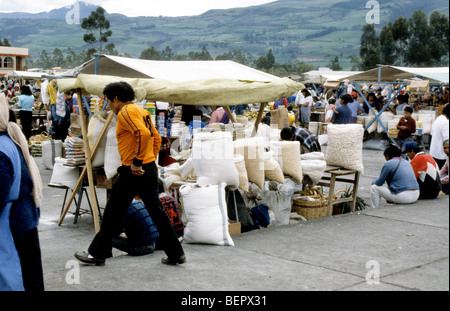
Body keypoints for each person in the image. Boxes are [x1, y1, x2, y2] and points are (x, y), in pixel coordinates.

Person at [74, 81, 185, 266]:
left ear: (116, 98)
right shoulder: (141, 111)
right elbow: (156, 137)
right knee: (156, 212)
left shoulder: (126, 112)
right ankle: (176, 253)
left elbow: (144, 135)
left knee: (113, 212)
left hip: (133, 171)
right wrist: (149, 159)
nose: (109, 105)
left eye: (109, 101)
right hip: (148, 168)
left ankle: (97, 253)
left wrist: (136, 163)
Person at [0, 93, 44, 291]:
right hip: (23, 220)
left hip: (12, 226)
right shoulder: (9, 141)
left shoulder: (1, 148)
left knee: (19, 279)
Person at [370, 145, 420, 209]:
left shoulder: (388, 164)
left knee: (374, 188)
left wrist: (373, 181)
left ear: (387, 156)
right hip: (416, 195)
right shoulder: (406, 162)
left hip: (404, 197)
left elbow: (379, 182)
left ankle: (375, 209)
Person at [430, 104, 449, 169]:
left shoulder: (439, 118)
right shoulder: (446, 122)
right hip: (442, 156)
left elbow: (432, 133)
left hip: (434, 153)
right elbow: (447, 140)